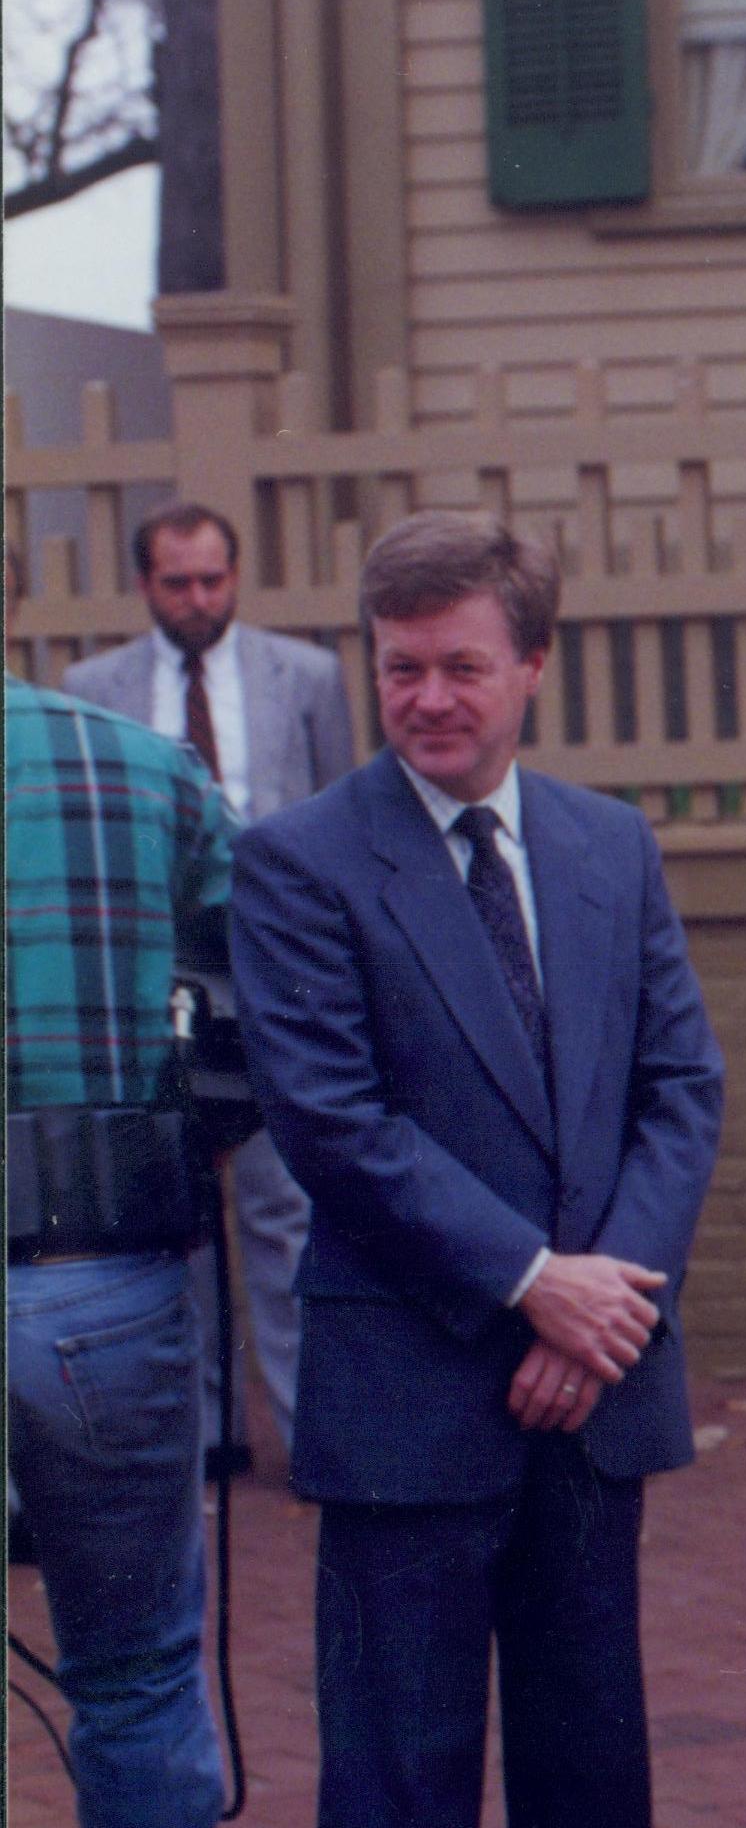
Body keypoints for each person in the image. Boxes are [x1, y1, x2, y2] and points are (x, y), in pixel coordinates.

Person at [227, 512, 746, 1828]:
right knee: (399, 1793)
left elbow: (684, 1086)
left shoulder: (610, 848)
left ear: (533, 663)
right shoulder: (302, 860)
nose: (429, 698)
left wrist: (600, 1305)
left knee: (593, 1772)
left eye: (464, 665)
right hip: (412, 1397)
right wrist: (534, 1281)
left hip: (589, 1393)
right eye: (401, 668)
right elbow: (330, 1122)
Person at [8, 624, 326, 1828]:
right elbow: (265, 1002)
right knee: (132, 1669)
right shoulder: (140, 769)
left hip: (97, 1265)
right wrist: (182, 1143)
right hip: (98, 1273)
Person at [66, 501, 362, 1465]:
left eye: (213, 579)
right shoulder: (94, 685)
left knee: (284, 1209)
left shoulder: (307, 677)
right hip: (158, 981)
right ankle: (205, 1433)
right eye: (176, 582)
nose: (198, 600)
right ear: (145, 585)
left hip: (279, 975)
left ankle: (313, 1428)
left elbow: (341, 821)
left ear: (236, 576)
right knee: (179, 1209)